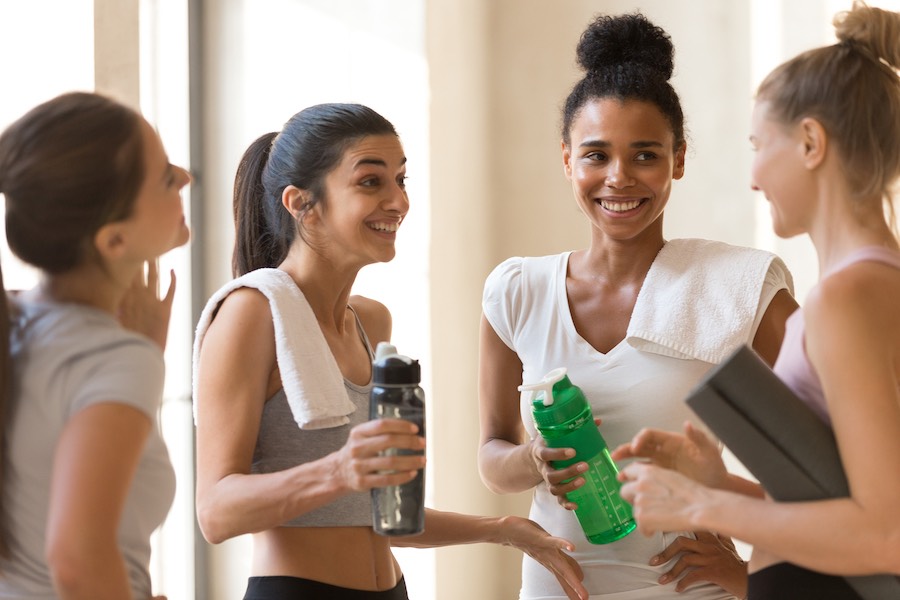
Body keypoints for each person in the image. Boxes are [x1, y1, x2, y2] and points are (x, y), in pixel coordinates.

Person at [192, 102, 588, 600]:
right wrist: (338, 470)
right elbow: (214, 512)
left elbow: (382, 513)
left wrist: (502, 529)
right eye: (370, 182)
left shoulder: (370, 321)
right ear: (301, 203)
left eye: (401, 180)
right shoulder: (252, 314)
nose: (397, 200)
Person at [477, 12, 800, 600]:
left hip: (688, 587)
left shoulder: (741, 287)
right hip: (555, 583)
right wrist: (534, 459)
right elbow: (492, 458)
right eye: (596, 155)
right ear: (567, 159)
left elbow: (821, 465)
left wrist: (755, 574)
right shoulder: (517, 291)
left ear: (678, 159)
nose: (619, 178)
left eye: (645, 155)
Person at [615, 2, 900, 599]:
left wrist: (701, 506)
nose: (752, 177)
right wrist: (720, 489)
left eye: (757, 145)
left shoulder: (848, 298)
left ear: (811, 142)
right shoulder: (873, 287)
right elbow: (843, 504)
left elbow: (884, 536)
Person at [0, 92, 190, 598]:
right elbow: (77, 559)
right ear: (114, 242)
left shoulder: (18, 321)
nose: (187, 178)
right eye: (167, 177)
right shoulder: (114, 359)